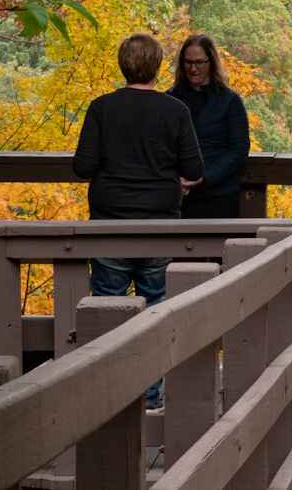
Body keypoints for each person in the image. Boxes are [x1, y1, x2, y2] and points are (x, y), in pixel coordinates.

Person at [73, 32, 204, 410]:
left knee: (107, 307)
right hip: (160, 225)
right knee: (156, 308)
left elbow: (83, 166)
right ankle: (149, 397)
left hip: (110, 224)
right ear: (158, 66)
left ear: (122, 64)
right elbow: (194, 168)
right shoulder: (175, 110)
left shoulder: (101, 108)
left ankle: (110, 397)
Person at [168, 33, 251, 220]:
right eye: (188, 63)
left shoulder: (230, 101)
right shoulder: (170, 100)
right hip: (178, 198)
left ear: (211, 62)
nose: (193, 69)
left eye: (199, 63)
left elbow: (239, 150)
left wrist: (205, 177)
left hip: (220, 197)